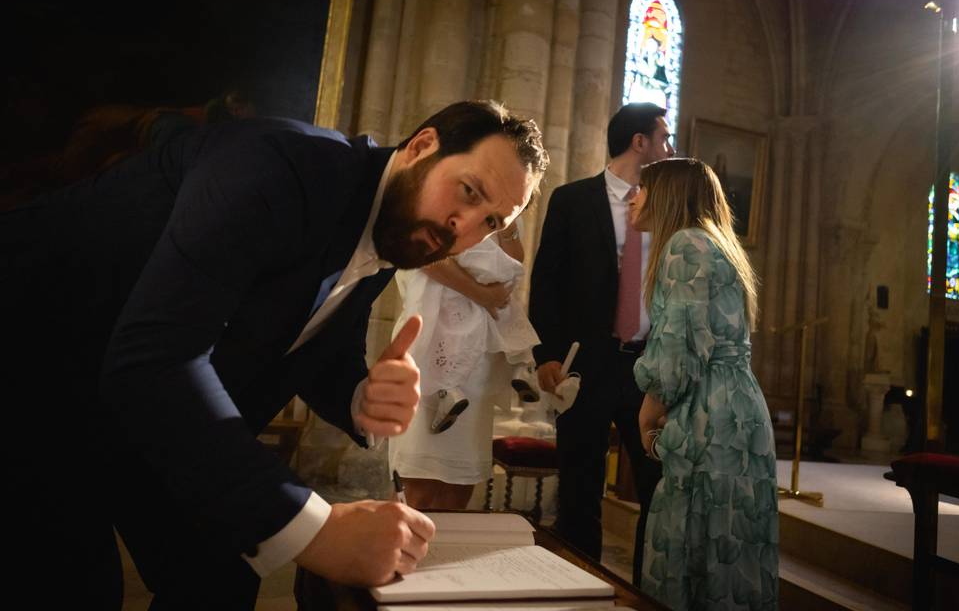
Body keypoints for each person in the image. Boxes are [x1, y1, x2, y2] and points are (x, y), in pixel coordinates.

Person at [3, 100, 547, 609]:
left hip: (134, 414)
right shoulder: (278, 168)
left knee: (217, 582)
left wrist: (361, 395)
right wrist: (315, 527)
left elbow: (315, 338)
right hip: (34, 379)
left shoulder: (386, 227)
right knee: (71, 584)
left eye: (492, 223)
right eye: (470, 192)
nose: (464, 229)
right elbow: (156, 361)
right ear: (422, 146)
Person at [529, 102, 674, 585]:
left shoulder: (668, 206)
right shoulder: (572, 200)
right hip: (586, 366)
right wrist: (545, 354)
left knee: (658, 484)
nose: (669, 148)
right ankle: (577, 589)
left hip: (647, 369)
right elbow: (546, 282)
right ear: (640, 142)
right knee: (579, 488)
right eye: (664, 138)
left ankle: (646, 591)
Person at [630, 158, 778, 610]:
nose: (634, 197)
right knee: (728, 550)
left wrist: (650, 406)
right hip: (738, 407)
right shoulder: (717, 243)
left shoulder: (684, 246)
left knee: (694, 541)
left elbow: (679, 346)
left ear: (668, 194)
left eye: (642, 189)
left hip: (710, 415)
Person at [388, 217, 540, 509]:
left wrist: (507, 224)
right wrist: (483, 294)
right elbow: (426, 256)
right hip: (431, 339)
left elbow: (515, 259)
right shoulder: (445, 192)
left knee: (460, 480)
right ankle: (402, 549)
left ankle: (451, 552)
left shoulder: (500, 206)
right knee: (416, 479)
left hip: (478, 353)